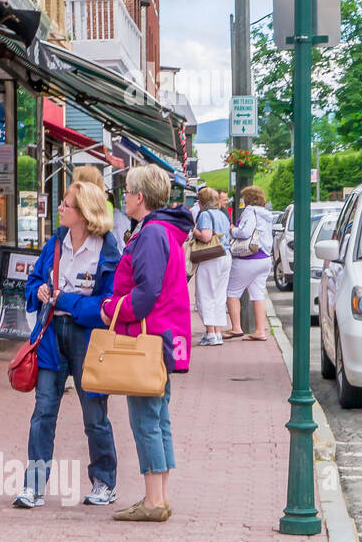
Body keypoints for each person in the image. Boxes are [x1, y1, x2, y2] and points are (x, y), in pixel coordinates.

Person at [13, 180, 122, 509]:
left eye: (66, 205)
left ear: (85, 213)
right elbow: (32, 282)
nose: (59, 209)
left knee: (94, 414)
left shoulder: (106, 248)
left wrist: (70, 301)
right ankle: (34, 486)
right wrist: (40, 292)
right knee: (43, 410)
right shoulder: (55, 242)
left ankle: (104, 481)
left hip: (87, 336)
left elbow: (110, 303)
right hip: (50, 331)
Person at [100, 165, 193, 522]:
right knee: (158, 416)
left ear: (140, 197)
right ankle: (159, 496)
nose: (123, 198)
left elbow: (147, 291)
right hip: (162, 335)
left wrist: (113, 309)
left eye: (127, 192)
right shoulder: (164, 230)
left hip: (148, 336)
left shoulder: (152, 233)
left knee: (146, 419)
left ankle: (154, 500)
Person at [225, 185, 276, 341]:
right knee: (257, 294)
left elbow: (245, 232)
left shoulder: (250, 211)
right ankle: (260, 331)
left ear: (248, 199)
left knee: (232, 293)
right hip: (265, 259)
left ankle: (236, 328)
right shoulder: (267, 214)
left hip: (249, 258)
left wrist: (233, 229)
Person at [191, 187, 232, 346]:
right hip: (225, 256)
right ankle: (218, 333)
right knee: (219, 297)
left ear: (203, 202)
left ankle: (210, 333)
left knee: (206, 295)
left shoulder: (205, 215)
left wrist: (195, 230)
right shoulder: (222, 215)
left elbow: (206, 236)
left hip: (211, 258)